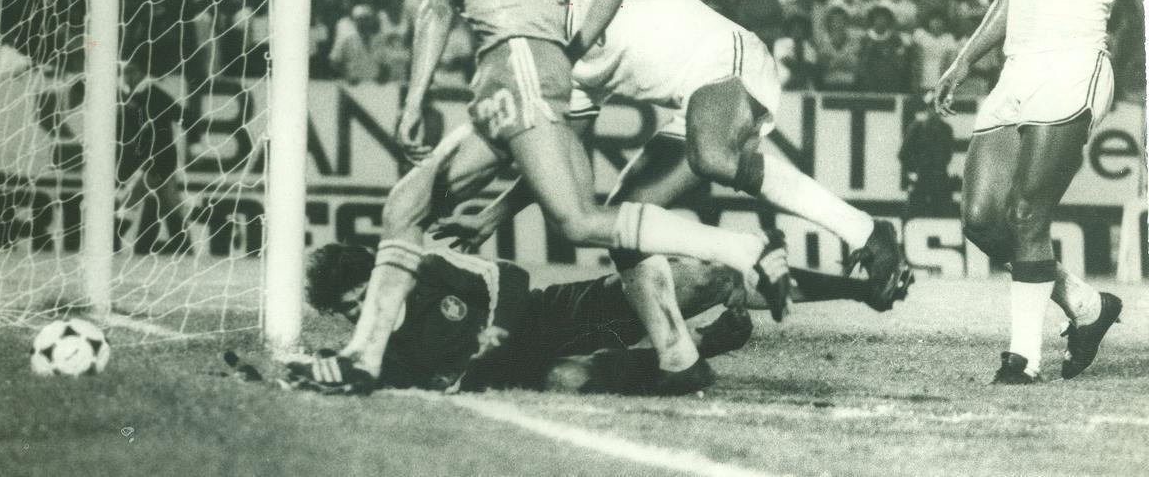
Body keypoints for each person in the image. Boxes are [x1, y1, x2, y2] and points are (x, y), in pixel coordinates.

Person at [341, 0, 773, 397]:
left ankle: (736, 249)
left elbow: (435, 10)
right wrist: (570, 53)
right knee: (407, 204)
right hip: (534, 70)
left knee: (579, 220)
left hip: (515, 65)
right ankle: (361, 362)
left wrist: (413, 99)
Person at [933, 0, 1140, 385]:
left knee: (1028, 210)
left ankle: (1020, 358)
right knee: (980, 219)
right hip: (1017, 68)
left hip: (1078, 65)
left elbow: (1144, 4)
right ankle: (1087, 306)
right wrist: (963, 61)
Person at [285, 242, 901, 395]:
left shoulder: (423, 272)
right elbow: (355, 375)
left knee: (705, 275)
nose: (359, 312)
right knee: (571, 382)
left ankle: (857, 291)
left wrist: (496, 322)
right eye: (345, 312)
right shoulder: (377, 354)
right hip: (535, 365)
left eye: (360, 297)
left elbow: (512, 276)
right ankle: (706, 347)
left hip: (558, 312)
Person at [116, 54, 188, 255]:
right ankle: (184, 244)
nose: (126, 76)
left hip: (161, 159)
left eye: (131, 71)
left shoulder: (153, 94)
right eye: (124, 72)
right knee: (168, 202)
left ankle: (112, 238)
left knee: (135, 196)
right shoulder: (131, 96)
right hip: (152, 158)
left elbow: (182, 114)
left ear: (142, 73)